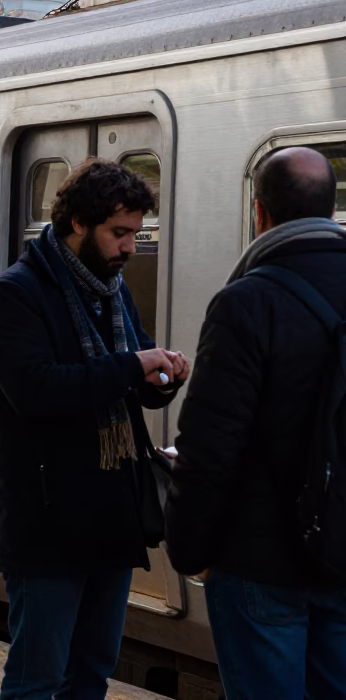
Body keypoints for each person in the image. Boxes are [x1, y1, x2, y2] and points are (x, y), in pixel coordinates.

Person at [0, 159, 190, 700]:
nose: (130, 248)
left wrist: (162, 378)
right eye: (119, 233)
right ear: (76, 223)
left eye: (135, 234)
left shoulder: (111, 293)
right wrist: (132, 365)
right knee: (37, 678)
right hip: (48, 519)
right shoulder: (15, 295)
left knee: (92, 671)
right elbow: (38, 392)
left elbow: (130, 387)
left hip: (110, 518)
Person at [167, 147, 346, 700]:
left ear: (260, 214)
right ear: (331, 206)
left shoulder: (247, 302)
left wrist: (190, 549)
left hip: (259, 561)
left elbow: (212, 443)